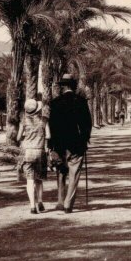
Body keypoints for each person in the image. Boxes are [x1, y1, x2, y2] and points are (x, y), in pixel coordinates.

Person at [48, 74, 93, 213]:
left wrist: (51, 146)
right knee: (74, 173)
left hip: (59, 144)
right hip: (76, 144)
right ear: (73, 86)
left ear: (63, 86)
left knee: (61, 172)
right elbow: (87, 124)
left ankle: (60, 201)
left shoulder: (55, 102)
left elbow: (51, 125)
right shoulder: (80, 101)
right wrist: (85, 139)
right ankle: (68, 204)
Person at [16, 98, 50, 214]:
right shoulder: (44, 120)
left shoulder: (23, 121)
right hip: (39, 151)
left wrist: (26, 136)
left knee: (29, 181)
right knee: (39, 179)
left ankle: (32, 207)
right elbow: (49, 136)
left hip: (27, 152)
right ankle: (40, 202)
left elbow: (18, 137)